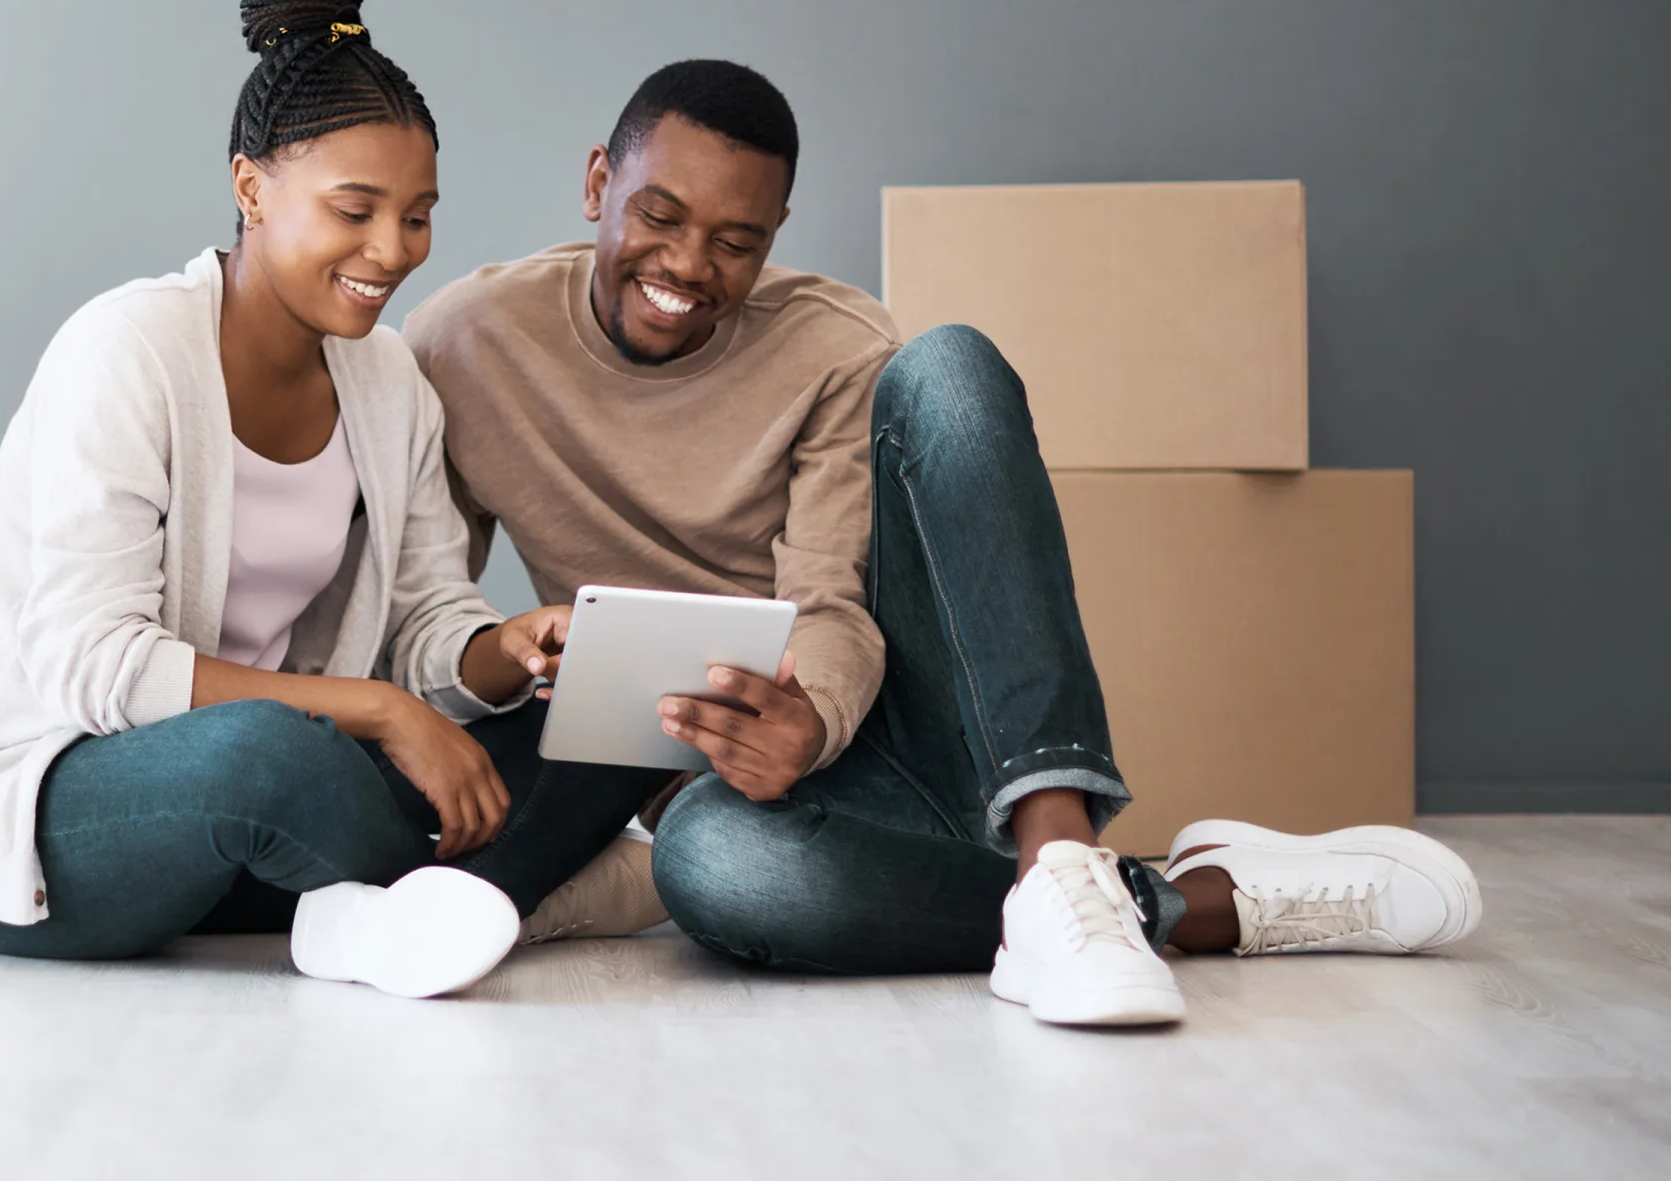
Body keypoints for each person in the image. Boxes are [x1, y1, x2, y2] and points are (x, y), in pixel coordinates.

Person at [402, 59, 1484, 1027]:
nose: (688, 265)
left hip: (901, 731)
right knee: (712, 868)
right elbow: (427, 601)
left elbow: (831, 595)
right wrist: (509, 652)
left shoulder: (833, 342)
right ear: (598, 183)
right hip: (734, 792)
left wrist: (813, 716)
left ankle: (1058, 844)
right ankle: (1181, 899)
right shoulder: (467, 340)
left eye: (738, 241)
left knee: (949, 365)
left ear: (776, 231)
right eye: (660, 215)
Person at [0, 0, 671, 998]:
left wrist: (510, 649)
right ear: (252, 189)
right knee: (268, 751)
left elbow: (426, 623)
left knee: (619, 700)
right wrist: (385, 712)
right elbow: (92, 662)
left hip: (265, 820)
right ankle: (537, 886)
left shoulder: (388, 380)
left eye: (418, 215)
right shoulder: (128, 351)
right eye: (354, 211)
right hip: (58, 817)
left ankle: (427, 907)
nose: (392, 250)